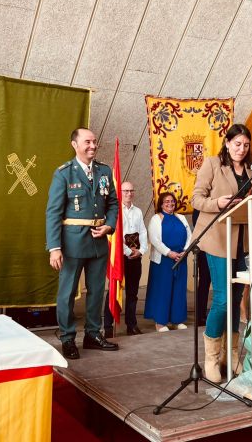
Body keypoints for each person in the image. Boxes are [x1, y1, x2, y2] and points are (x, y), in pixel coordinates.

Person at [191, 124, 252, 383]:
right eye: (237, 143)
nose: (241, 149)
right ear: (227, 143)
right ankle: (210, 357)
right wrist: (217, 203)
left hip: (243, 244)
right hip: (218, 240)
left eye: (245, 144)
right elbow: (196, 199)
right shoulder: (212, 164)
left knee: (235, 299)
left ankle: (229, 355)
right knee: (222, 298)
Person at [46, 128, 119, 359]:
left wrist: (109, 225)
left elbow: (113, 204)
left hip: (98, 243)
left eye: (95, 141)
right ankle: (67, 338)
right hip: (72, 243)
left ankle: (92, 335)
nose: (93, 145)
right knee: (67, 294)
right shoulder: (64, 174)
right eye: (87, 141)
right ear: (75, 145)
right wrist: (54, 247)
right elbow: (53, 212)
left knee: (97, 291)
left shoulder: (105, 171)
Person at [103, 181, 148, 337]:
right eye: (126, 191)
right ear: (120, 192)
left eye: (131, 191)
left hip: (135, 257)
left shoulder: (138, 212)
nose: (129, 194)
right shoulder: (113, 212)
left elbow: (142, 232)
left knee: (133, 293)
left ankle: (131, 325)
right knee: (113, 292)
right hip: (119, 258)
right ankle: (108, 328)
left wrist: (141, 251)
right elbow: (113, 236)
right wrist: (128, 251)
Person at [144, 192, 192, 332]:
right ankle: (161, 322)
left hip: (180, 259)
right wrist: (169, 253)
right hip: (163, 261)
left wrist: (185, 251)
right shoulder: (155, 219)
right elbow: (154, 240)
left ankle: (177, 321)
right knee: (162, 291)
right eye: (166, 201)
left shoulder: (182, 218)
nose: (170, 204)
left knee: (179, 290)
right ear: (161, 204)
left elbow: (190, 235)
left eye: (172, 201)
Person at [192, 209, 211, 327]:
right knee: (204, 282)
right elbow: (198, 226)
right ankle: (201, 316)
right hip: (204, 249)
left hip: (222, 249)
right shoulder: (200, 207)